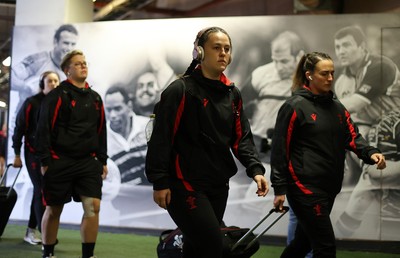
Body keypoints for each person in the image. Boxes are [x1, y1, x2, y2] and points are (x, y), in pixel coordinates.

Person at [145, 26, 269, 258]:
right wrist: (159, 181)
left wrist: (256, 170)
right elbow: (161, 138)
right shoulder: (180, 90)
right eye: (216, 48)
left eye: (227, 49)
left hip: (218, 184)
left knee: (197, 249)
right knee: (215, 247)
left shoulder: (232, 94)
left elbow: (241, 137)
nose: (223, 53)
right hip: (184, 185)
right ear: (199, 52)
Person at [270, 52, 386, 258]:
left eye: (332, 73)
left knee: (302, 243)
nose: (330, 78)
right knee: (325, 247)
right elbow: (280, 150)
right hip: (304, 188)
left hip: (329, 187)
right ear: (309, 75)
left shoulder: (338, 108)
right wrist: (279, 188)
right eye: (324, 73)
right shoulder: (294, 106)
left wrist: (371, 153)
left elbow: (353, 137)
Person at [35, 50, 108, 258]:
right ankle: (48, 253)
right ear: (67, 70)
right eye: (77, 64)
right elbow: (43, 129)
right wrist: (45, 161)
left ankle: (88, 255)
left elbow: (101, 130)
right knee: (54, 209)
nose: (83, 66)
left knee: (92, 207)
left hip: (87, 163)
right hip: (59, 162)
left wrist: (102, 160)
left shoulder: (95, 98)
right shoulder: (57, 96)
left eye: (85, 63)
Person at [333, 25, 400, 236]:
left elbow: (353, 104)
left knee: (375, 173)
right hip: (375, 131)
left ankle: (343, 231)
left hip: (396, 126)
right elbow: (350, 118)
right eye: (337, 46)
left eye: (346, 45)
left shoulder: (380, 66)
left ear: (362, 47)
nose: (341, 51)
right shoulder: (342, 81)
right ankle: (344, 231)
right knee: (372, 173)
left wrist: (316, 111)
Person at [11, 71, 60, 245]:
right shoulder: (31, 103)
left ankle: (32, 231)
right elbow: (19, 129)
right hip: (33, 153)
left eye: (56, 81)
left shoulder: (60, 105)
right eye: (50, 81)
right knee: (41, 189)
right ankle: (44, 233)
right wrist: (17, 154)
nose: (53, 83)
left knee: (42, 191)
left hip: (52, 155)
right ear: (42, 84)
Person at [241, 30, 305, 149]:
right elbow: (238, 104)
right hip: (258, 145)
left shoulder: (311, 80)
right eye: (275, 60)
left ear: (299, 56)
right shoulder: (260, 74)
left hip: (293, 149)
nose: (278, 67)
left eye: (284, 61)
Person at [104, 84, 148, 185]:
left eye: (117, 108)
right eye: (109, 110)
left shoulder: (148, 126)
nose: (113, 115)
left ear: (129, 106)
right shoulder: (101, 140)